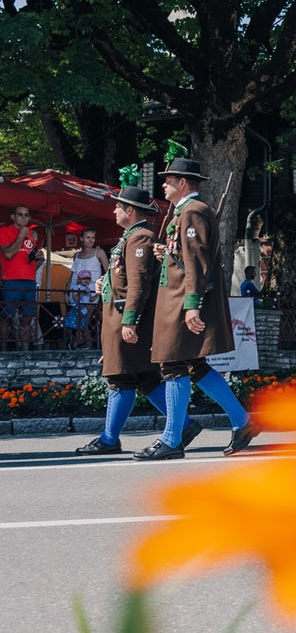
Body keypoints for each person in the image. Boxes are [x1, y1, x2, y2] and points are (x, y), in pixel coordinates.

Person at [139, 144, 256, 460]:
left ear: (181, 182)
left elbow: (198, 261)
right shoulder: (188, 211)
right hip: (178, 298)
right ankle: (242, 421)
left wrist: (192, 303)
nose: (163, 186)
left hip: (182, 301)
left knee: (174, 365)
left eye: (167, 180)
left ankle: (171, 440)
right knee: (193, 365)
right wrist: (168, 254)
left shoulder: (192, 211)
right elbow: (186, 257)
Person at [76, 170, 173, 455]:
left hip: (127, 319)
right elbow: (124, 276)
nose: (115, 211)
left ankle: (109, 439)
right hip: (121, 318)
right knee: (145, 379)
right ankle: (183, 424)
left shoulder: (140, 237)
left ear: (130, 211)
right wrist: (104, 281)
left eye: (118, 206)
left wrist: (130, 321)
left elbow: (139, 283)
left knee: (121, 377)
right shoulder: (133, 236)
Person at [1, 205, 41, 349]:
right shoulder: (5, 231)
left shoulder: (30, 234)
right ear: (13, 217)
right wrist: (20, 236)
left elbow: (28, 259)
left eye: (26, 214)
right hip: (11, 280)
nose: (24, 217)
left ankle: (25, 353)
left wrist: (37, 257)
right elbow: (8, 254)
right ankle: (4, 353)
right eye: (20, 214)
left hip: (29, 281)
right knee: (6, 318)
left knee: (27, 319)